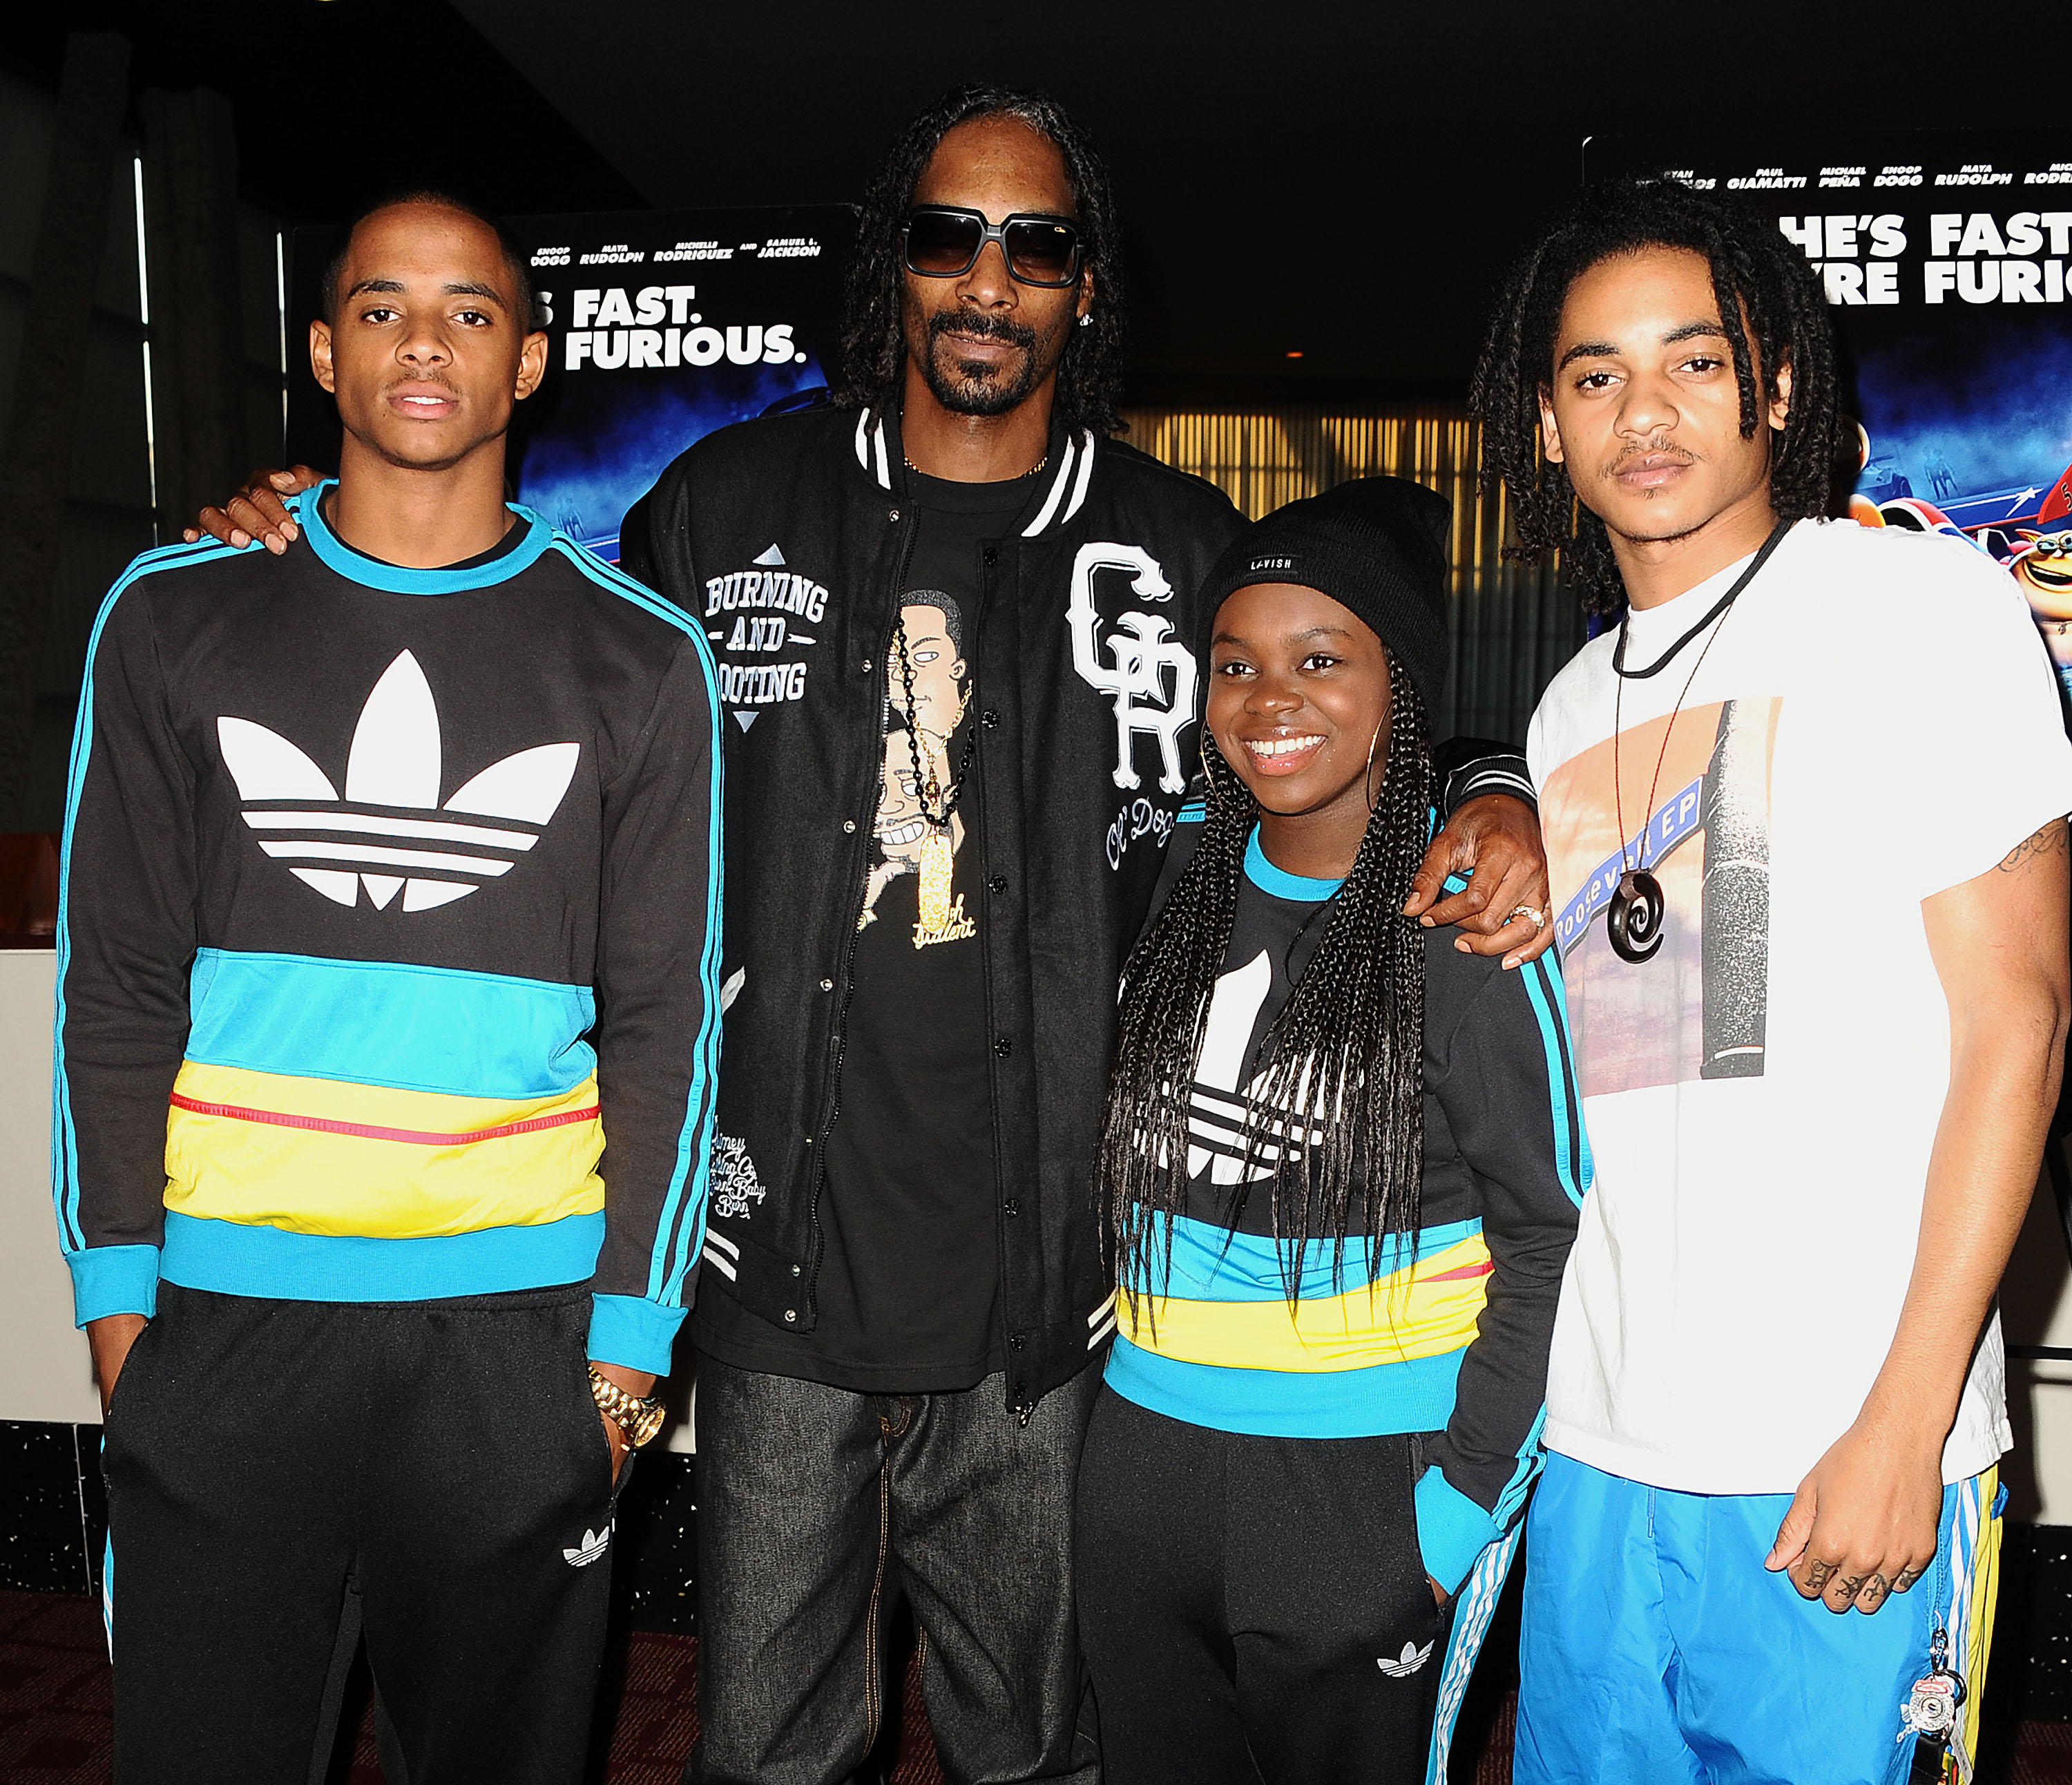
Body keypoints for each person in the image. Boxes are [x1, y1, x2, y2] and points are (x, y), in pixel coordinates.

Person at [189, 89, 1551, 1784]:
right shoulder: (719, 504)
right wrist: (302, 539)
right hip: (773, 1286)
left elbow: (1355, 701)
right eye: (949, 236)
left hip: (1057, 1305)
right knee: (762, 1750)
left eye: (1037, 244)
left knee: (1037, 1751)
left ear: (1084, 286)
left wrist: (1500, 785)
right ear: (893, 266)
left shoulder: (1179, 542)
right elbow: (515, 633)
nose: (989, 279)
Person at [55, 191, 722, 1784]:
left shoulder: (640, 657)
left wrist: (627, 1355)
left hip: (516, 1343)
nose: (425, 338)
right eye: (381, 305)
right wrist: (119, 1315)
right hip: (218, 1333)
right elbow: (116, 983)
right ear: (323, 347)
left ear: (530, 359)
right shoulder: (172, 612)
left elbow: (670, 1020)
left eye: (471, 310)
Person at [1468, 176, 2072, 1785]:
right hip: (1602, 1445)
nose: (1643, 410)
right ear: (1545, 420)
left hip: (1845, 1444)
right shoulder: (1565, 704)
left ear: (1781, 385)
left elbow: (2020, 1023)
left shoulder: (1916, 608)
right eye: (1595, 373)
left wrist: (1908, 1423)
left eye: (1696, 360)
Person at [1072, 478, 1584, 1785]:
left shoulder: (1463, 922)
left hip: (1370, 1479)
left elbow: (1549, 1233)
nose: (1270, 698)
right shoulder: (1175, 871)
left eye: (1320, 659)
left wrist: (1459, 1508)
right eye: (1234, 663)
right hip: (1144, 1465)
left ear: (1398, 680)